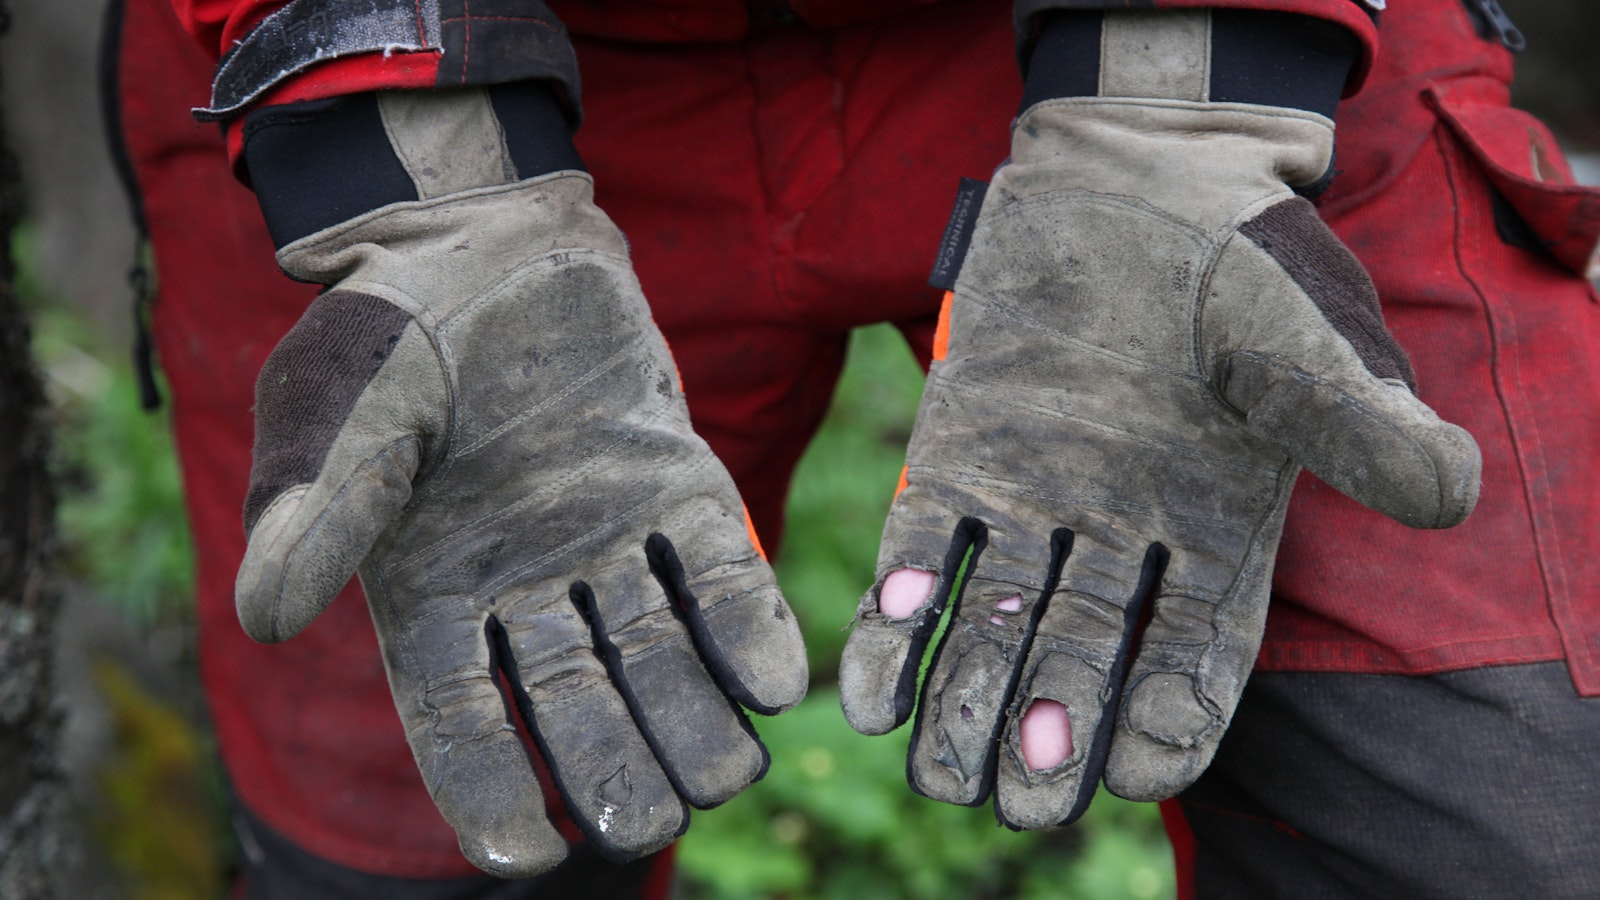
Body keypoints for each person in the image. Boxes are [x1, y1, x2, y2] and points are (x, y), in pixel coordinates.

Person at [106, 0, 1600, 896]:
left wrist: (1182, 103)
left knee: (1502, 805)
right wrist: (404, 174)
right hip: (446, 97)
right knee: (430, 841)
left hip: (1168, 55)